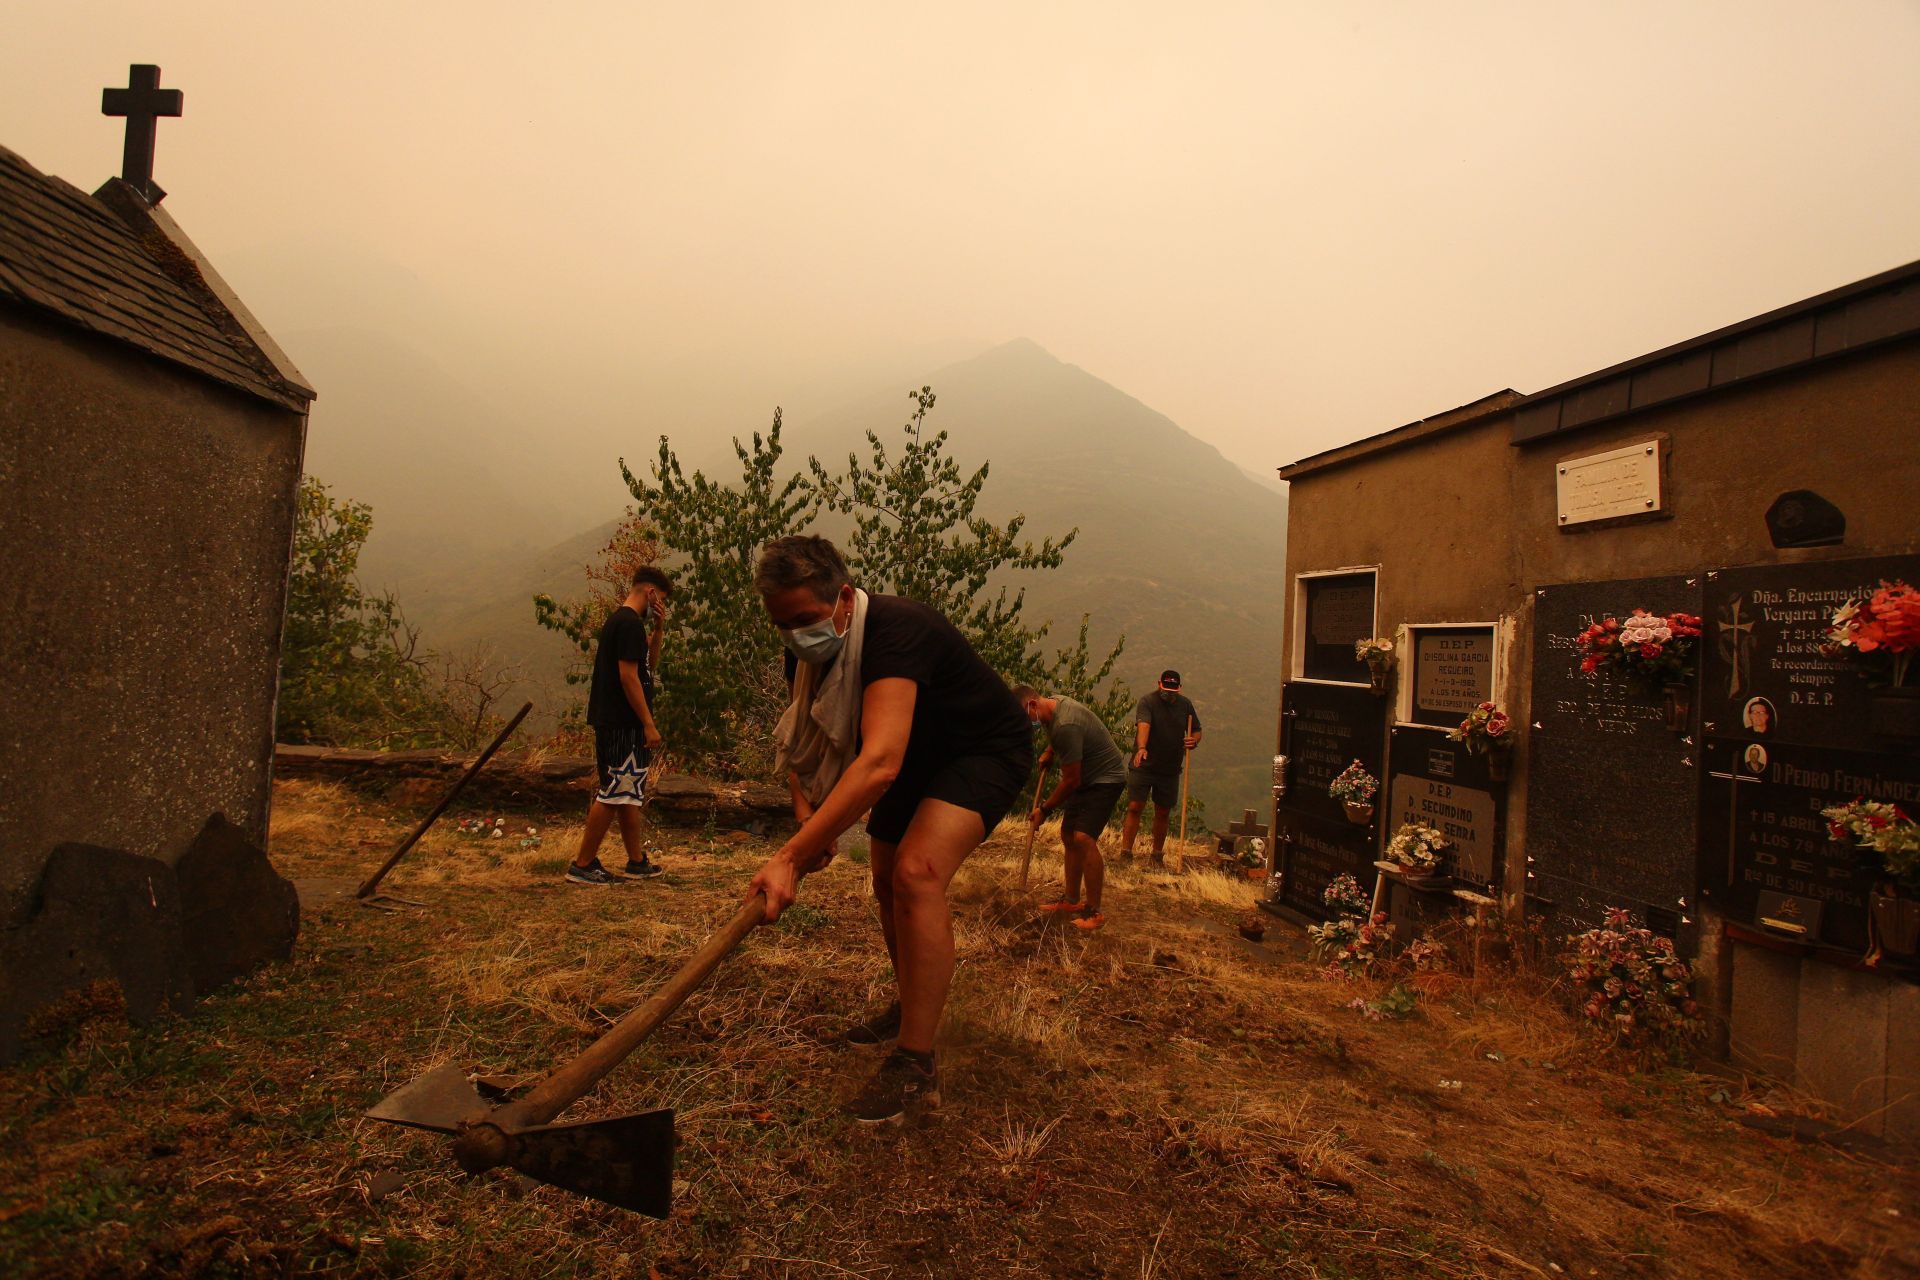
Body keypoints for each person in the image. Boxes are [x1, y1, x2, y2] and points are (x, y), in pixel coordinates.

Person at [748, 535, 1032, 1124]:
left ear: (845, 598)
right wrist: (813, 823)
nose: (795, 635)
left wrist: (791, 858)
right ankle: (912, 1004)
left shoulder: (900, 630)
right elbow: (811, 745)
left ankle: (916, 1064)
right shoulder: (805, 655)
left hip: (980, 751)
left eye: (804, 619)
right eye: (782, 625)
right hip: (912, 757)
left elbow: (878, 762)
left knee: (916, 872)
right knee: (883, 876)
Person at [566, 566, 674, 885]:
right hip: (622, 721)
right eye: (662, 599)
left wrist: (659, 629)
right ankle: (583, 864)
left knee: (630, 790)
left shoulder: (629, 624)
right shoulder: (627, 623)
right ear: (651, 592)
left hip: (621, 721)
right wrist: (648, 723)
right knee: (615, 789)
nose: (661, 605)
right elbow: (629, 678)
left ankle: (636, 860)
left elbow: (646, 668)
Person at [1012, 686, 1127, 931]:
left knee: (1083, 838)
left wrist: (1045, 809)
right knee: (1067, 835)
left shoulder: (1066, 725)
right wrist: (1049, 750)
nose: (1027, 723)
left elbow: (1071, 781)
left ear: (1032, 704)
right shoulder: (1053, 706)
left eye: (1024, 716)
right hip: (1087, 777)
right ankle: (1071, 900)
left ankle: (1094, 912)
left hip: (1106, 779)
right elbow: (1062, 739)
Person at [1118, 670, 1202, 865]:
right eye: (1166, 689)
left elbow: (1196, 729)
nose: (1169, 693)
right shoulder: (1148, 702)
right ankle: (1125, 853)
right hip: (1144, 765)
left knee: (1163, 811)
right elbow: (1144, 725)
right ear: (1159, 684)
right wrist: (1141, 748)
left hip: (1170, 768)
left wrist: (1194, 740)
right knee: (1135, 806)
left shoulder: (1185, 705)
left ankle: (1156, 856)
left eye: (1173, 690)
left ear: (1179, 689)